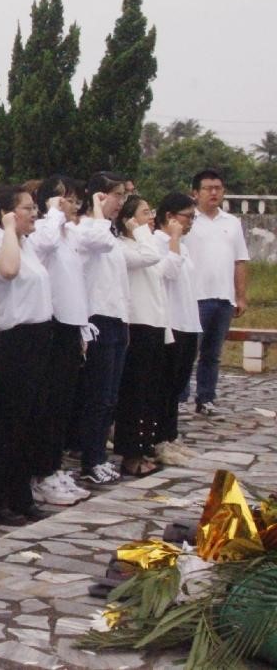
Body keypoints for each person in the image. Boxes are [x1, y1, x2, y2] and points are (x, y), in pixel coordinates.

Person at [0, 188, 58, 527]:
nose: (34, 213)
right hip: (13, 341)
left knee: (29, 423)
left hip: (38, 338)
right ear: (7, 213)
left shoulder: (29, 245)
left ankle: (20, 495)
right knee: (4, 426)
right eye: (26, 208)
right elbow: (7, 272)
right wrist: (8, 227)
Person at [30, 177, 111, 506]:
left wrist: (94, 208)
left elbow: (102, 240)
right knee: (48, 408)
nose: (70, 206)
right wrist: (51, 212)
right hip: (52, 325)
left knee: (63, 406)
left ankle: (54, 466)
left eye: (75, 200)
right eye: (65, 199)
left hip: (73, 324)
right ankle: (41, 472)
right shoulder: (42, 231)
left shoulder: (71, 234)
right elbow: (43, 243)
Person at [77, 172, 141, 486]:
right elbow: (98, 241)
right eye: (118, 195)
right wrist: (97, 210)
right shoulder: (87, 229)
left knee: (110, 396)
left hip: (115, 318)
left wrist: (126, 317)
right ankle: (91, 458)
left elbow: (119, 281)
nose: (122, 203)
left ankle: (100, 454)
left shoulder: (110, 232)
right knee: (97, 395)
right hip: (96, 319)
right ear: (100, 196)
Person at [114, 196, 183, 477]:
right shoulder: (123, 246)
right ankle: (130, 454)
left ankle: (144, 447)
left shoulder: (145, 243)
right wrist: (140, 230)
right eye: (145, 212)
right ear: (129, 218)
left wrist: (172, 239)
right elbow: (150, 257)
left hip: (154, 325)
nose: (151, 217)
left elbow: (166, 268)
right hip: (137, 326)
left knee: (150, 393)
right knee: (134, 394)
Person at [182, 168, 250, 415]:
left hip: (223, 298)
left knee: (212, 354)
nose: (213, 193)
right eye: (208, 188)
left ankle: (206, 398)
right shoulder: (188, 221)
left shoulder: (231, 223)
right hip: (194, 298)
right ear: (195, 193)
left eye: (218, 188)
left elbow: (240, 260)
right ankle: (178, 398)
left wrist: (240, 296)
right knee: (188, 352)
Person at [152, 193, 202, 465]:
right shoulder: (158, 243)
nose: (190, 222)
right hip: (170, 323)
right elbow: (166, 273)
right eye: (187, 217)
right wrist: (173, 238)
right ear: (170, 217)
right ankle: (158, 439)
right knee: (165, 385)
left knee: (178, 385)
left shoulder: (182, 245)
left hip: (187, 321)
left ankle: (170, 435)